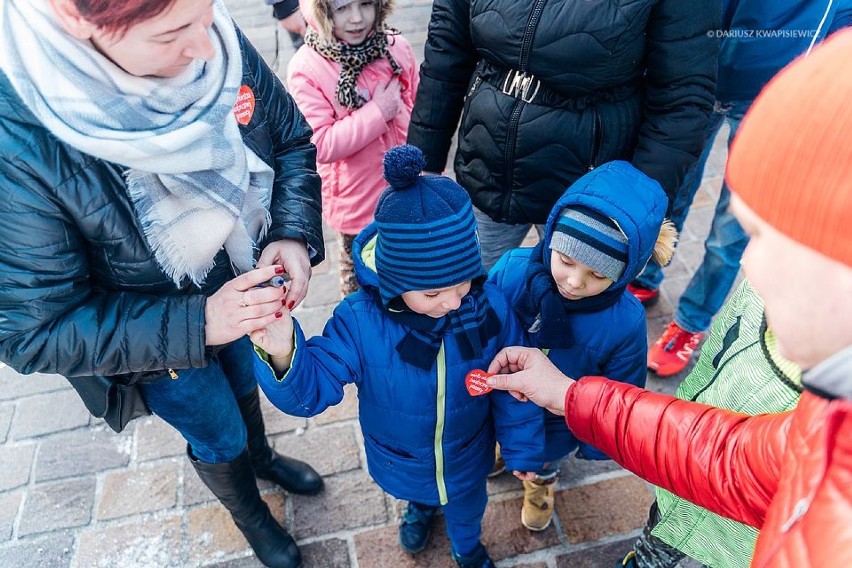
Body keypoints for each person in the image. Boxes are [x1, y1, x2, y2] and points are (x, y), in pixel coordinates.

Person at [485, 29, 852, 567]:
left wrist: (578, 422)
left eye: (769, 238)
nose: (746, 264)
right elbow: (735, 459)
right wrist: (570, 397)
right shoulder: (830, 411)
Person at [0, 1, 326, 567]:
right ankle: (251, 516)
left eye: (207, 13)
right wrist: (200, 323)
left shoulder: (210, 33)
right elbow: (33, 331)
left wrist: (292, 232)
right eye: (173, 32)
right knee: (218, 432)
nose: (209, 47)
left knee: (248, 389)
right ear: (83, 25)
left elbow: (292, 139)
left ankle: (265, 457)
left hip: (243, 290)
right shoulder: (20, 137)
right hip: (161, 350)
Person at [251, 145, 544, 568]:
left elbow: (514, 385)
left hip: (468, 452)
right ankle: (419, 509)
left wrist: (521, 449)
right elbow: (309, 394)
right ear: (396, 280)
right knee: (418, 491)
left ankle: (467, 547)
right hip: (403, 457)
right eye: (432, 293)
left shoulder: (489, 308)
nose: (453, 303)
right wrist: (282, 351)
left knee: (467, 507)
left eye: (463, 285)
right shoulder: (360, 321)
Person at [407, 0, 719, 270]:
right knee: (471, 295)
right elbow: (446, 50)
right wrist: (423, 159)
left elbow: (681, 98)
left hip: (589, 194)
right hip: (485, 167)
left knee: (570, 322)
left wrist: (634, 205)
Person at [629, 0, 852, 377]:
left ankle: (691, 320)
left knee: (733, 228)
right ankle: (648, 274)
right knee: (673, 191)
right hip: (701, 70)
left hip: (775, 90)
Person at [487, 161, 675, 531]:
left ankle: (540, 484)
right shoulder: (512, 269)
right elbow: (481, 327)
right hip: (501, 399)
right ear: (552, 236)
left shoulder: (624, 320)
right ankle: (502, 450)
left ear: (628, 271)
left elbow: (622, 388)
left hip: (560, 419)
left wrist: (594, 442)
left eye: (598, 275)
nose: (573, 282)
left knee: (545, 459)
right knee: (499, 431)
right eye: (566, 260)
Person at [622, 280, 802, 568]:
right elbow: (717, 352)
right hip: (692, 465)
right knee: (658, 542)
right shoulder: (766, 278)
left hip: (752, 526)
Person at [287, 0, 418, 296]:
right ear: (321, 12)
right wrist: (378, 111)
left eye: (366, 4)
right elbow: (319, 143)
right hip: (356, 202)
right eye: (342, 8)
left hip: (405, 191)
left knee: (410, 273)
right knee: (360, 285)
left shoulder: (396, 48)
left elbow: (417, 108)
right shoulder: (307, 67)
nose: (357, 18)